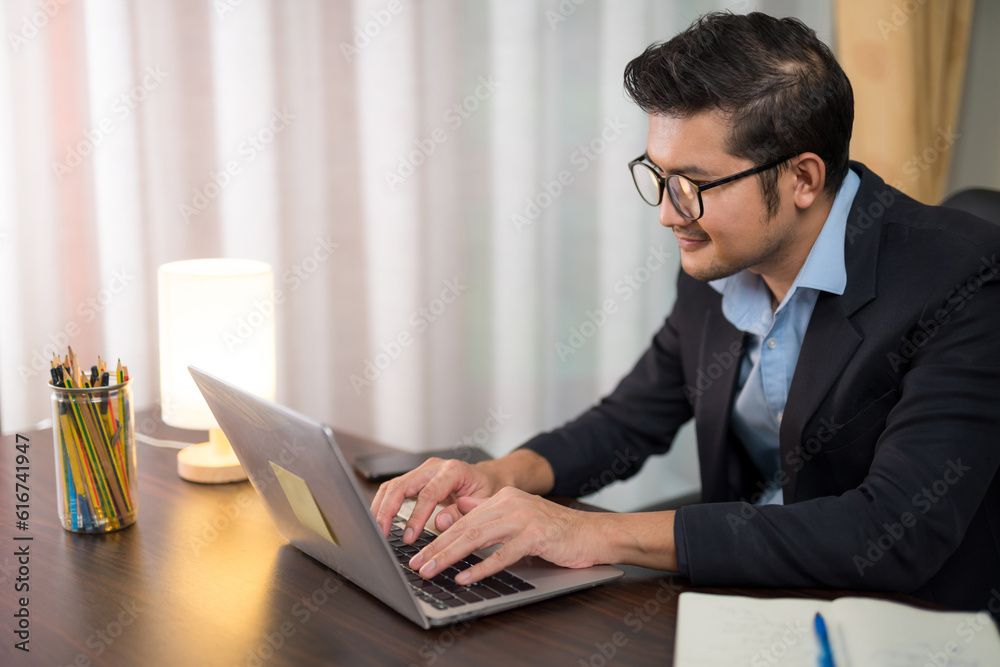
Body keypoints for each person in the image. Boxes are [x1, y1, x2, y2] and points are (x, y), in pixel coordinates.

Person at [370, 11, 1000, 616]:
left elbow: (893, 531)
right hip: (751, 591)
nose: (670, 213)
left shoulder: (965, 277)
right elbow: (630, 420)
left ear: (803, 178)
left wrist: (592, 533)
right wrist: (501, 475)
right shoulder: (719, 255)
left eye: (695, 184)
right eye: (659, 175)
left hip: (902, 617)